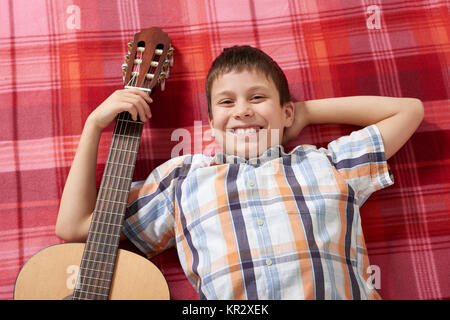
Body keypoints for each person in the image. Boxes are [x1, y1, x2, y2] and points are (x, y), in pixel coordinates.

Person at [56, 45, 424, 299]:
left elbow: (409, 111)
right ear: (212, 120)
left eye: (258, 98)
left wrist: (306, 112)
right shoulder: (183, 181)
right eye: (226, 102)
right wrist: (93, 125)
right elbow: (73, 227)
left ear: (286, 113)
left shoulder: (325, 165)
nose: (242, 111)